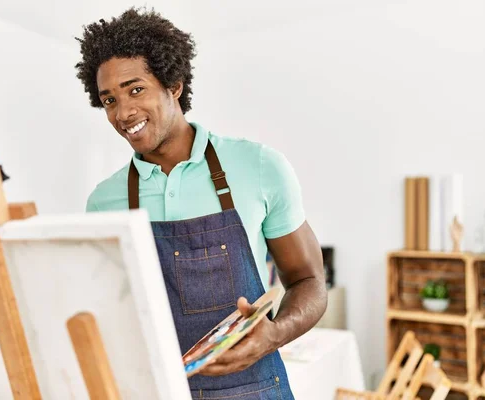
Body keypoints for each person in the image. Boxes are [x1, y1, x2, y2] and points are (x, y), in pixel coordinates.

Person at [75, 7, 327, 399]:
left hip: (253, 389)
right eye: (109, 99)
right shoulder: (103, 202)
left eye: (135, 89)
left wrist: (272, 335)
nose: (123, 113)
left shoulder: (259, 167)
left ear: (173, 85)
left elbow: (309, 281)